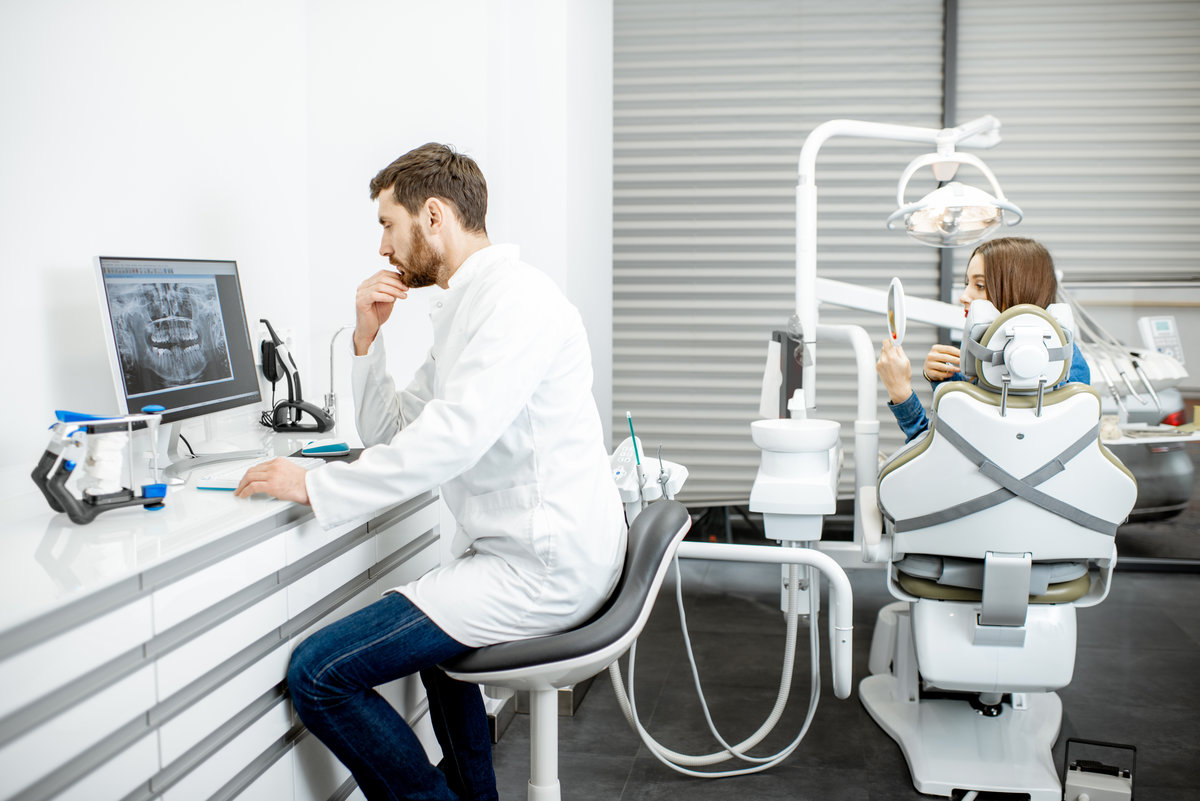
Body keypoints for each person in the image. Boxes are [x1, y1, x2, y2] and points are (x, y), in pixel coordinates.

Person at [234, 143, 626, 801]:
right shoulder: (464, 310)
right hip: (521, 554)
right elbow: (394, 431)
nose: (384, 246)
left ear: (434, 216)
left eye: (389, 223)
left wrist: (315, 483)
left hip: (546, 568)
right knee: (431, 637)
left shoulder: (516, 303)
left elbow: (453, 439)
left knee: (318, 672)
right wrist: (366, 337)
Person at [876, 236, 1091, 443]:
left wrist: (901, 393)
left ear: (1021, 289)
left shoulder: (1068, 368)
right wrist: (944, 381)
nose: (963, 296)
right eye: (967, 283)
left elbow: (935, 460)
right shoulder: (972, 358)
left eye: (979, 286)